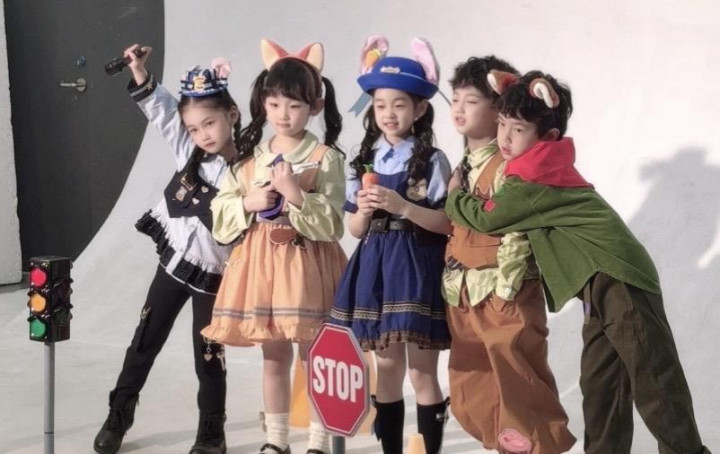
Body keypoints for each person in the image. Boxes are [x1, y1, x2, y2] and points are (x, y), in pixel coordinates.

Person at [445, 69, 711, 454]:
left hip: (618, 276)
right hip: (594, 281)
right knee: (601, 382)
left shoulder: (536, 176)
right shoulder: (532, 169)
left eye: (518, 129)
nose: (505, 137)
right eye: (501, 124)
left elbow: (489, 218)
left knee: (652, 376)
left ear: (547, 136)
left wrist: (455, 196)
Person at [200, 39, 346, 454]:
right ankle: (276, 440)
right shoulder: (250, 158)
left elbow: (333, 224)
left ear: (315, 107)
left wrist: (294, 195)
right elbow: (221, 214)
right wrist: (249, 202)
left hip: (308, 266)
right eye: (275, 103)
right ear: (263, 103)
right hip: (262, 266)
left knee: (315, 355)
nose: (283, 114)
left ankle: (319, 440)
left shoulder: (325, 157)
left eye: (295, 105)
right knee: (274, 357)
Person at [94, 44, 240, 454]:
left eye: (210, 123)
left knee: (208, 355)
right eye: (194, 128)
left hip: (215, 275)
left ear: (231, 115)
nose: (203, 135)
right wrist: (140, 72)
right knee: (145, 339)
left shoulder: (249, 166)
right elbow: (161, 112)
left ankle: (211, 432)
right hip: (174, 265)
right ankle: (118, 414)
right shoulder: (189, 149)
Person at [443, 57, 575, 454]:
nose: (460, 109)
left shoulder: (513, 167)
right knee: (473, 383)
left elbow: (517, 232)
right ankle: (504, 446)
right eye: (455, 99)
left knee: (519, 380)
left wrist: (507, 288)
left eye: (472, 101)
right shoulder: (466, 163)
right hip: (464, 289)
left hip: (503, 289)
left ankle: (537, 448)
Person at [329, 36, 451, 454]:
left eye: (399, 104)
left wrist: (404, 207)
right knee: (386, 368)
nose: (389, 114)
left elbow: (447, 223)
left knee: (422, 371)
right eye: (381, 105)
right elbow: (354, 230)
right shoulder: (363, 159)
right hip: (376, 267)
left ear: (420, 109)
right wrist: (363, 211)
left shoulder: (432, 160)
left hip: (416, 266)